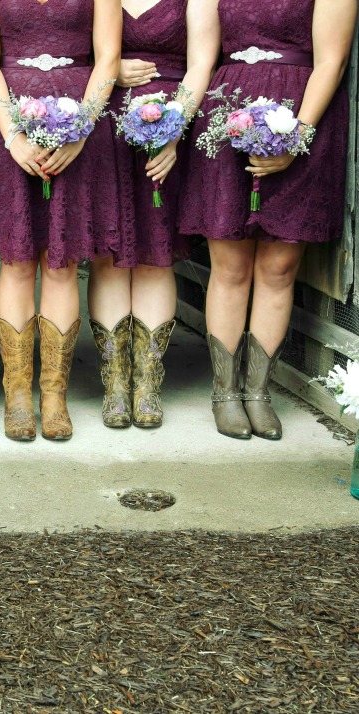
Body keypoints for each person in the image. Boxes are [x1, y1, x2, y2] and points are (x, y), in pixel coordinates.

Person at [180, 0, 356, 440]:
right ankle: (225, 393)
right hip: (227, 116)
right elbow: (201, 59)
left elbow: (331, 62)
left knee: (279, 267)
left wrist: (296, 137)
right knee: (230, 264)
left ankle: (258, 392)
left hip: (302, 117)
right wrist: (171, 128)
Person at [0, 0, 121, 441]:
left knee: (62, 262)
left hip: (79, 129)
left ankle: (54, 395)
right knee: (16, 262)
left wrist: (82, 130)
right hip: (10, 125)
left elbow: (107, 57)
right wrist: (13, 137)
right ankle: (16, 394)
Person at [85, 0, 216, 429]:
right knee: (110, 254)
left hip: (167, 131)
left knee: (155, 254)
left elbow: (201, 62)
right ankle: (116, 386)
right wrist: (110, 69)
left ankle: (147, 384)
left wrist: (174, 129)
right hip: (104, 126)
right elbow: (69, 45)